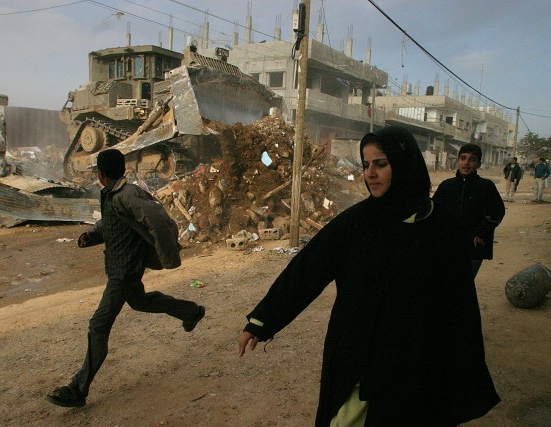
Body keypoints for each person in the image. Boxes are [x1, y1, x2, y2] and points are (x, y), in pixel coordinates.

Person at [238, 126, 500, 426]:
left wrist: (461, 377)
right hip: (357, 355)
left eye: (381, 164)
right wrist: (263, 319)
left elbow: (461, 308)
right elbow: (308, 269)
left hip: (415, 358)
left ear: (404, 164)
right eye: (366, 165)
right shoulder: (356, 223)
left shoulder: (444, 230)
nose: (370, 174)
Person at [45, 149, 205, 408]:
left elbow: (157, 219)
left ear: (100, 173)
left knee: (99, 325)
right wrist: (94, 235)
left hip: (124, 272)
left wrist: (168, 257)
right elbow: (115, 224)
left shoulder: (126, 194)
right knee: (141, 302)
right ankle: (191, 311)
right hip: (121, 269)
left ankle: (78, 388)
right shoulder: (113, 195)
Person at [433, 143, 505, 279]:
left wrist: (482, 232)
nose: (466, 163)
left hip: (474, 246)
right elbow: (435, 213)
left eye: (472, 159)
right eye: (463, 158)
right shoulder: (447, 186)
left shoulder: (486, 187)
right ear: (458, 160)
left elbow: (497, 211)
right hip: (449, 246)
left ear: (478, 164)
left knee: (465, 284)